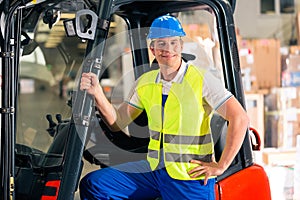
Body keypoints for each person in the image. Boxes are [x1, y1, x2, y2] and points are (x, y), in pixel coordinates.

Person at [79, 14, 249, 200]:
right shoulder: (145, 82)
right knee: (96, 185)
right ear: (152, 48)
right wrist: (97, 94)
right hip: (153, 170)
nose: (168, 49)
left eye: (173, 43)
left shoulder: (202, 80)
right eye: (161, 43)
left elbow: (239, 118)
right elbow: (118, 122)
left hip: (188, 175)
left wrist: (221, 165)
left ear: (181, 46)